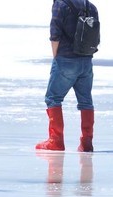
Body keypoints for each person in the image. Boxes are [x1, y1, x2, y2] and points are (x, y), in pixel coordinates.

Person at [35, 0, 97, 152]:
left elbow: (55, 34)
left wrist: (56, 57)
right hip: (86, 60)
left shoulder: (60, 5)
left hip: (66, 59)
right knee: (86, 101)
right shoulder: (90, 6)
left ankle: (55, 141)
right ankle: (86, 142)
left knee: (53, 98)